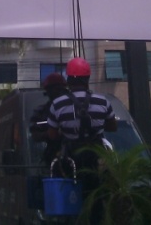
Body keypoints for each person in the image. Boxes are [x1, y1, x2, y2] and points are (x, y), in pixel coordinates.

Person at [47, 58, 118, 224]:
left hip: (70, 161)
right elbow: (112, 127)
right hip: (97, 159)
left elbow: (51, 135)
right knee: (99, 198)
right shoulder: (103, 101)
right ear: (87, 79)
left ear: (69, 80)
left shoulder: (57, 104)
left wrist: (66, 131)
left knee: (69, 201)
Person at [29, 72, 68, 165]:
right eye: (54, 89)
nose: (58, 92)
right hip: (53, 155)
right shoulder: (42, 112)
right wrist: (50, 134)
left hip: (74, 154)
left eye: (60, 89)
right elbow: (34, 134)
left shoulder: (73, 107)